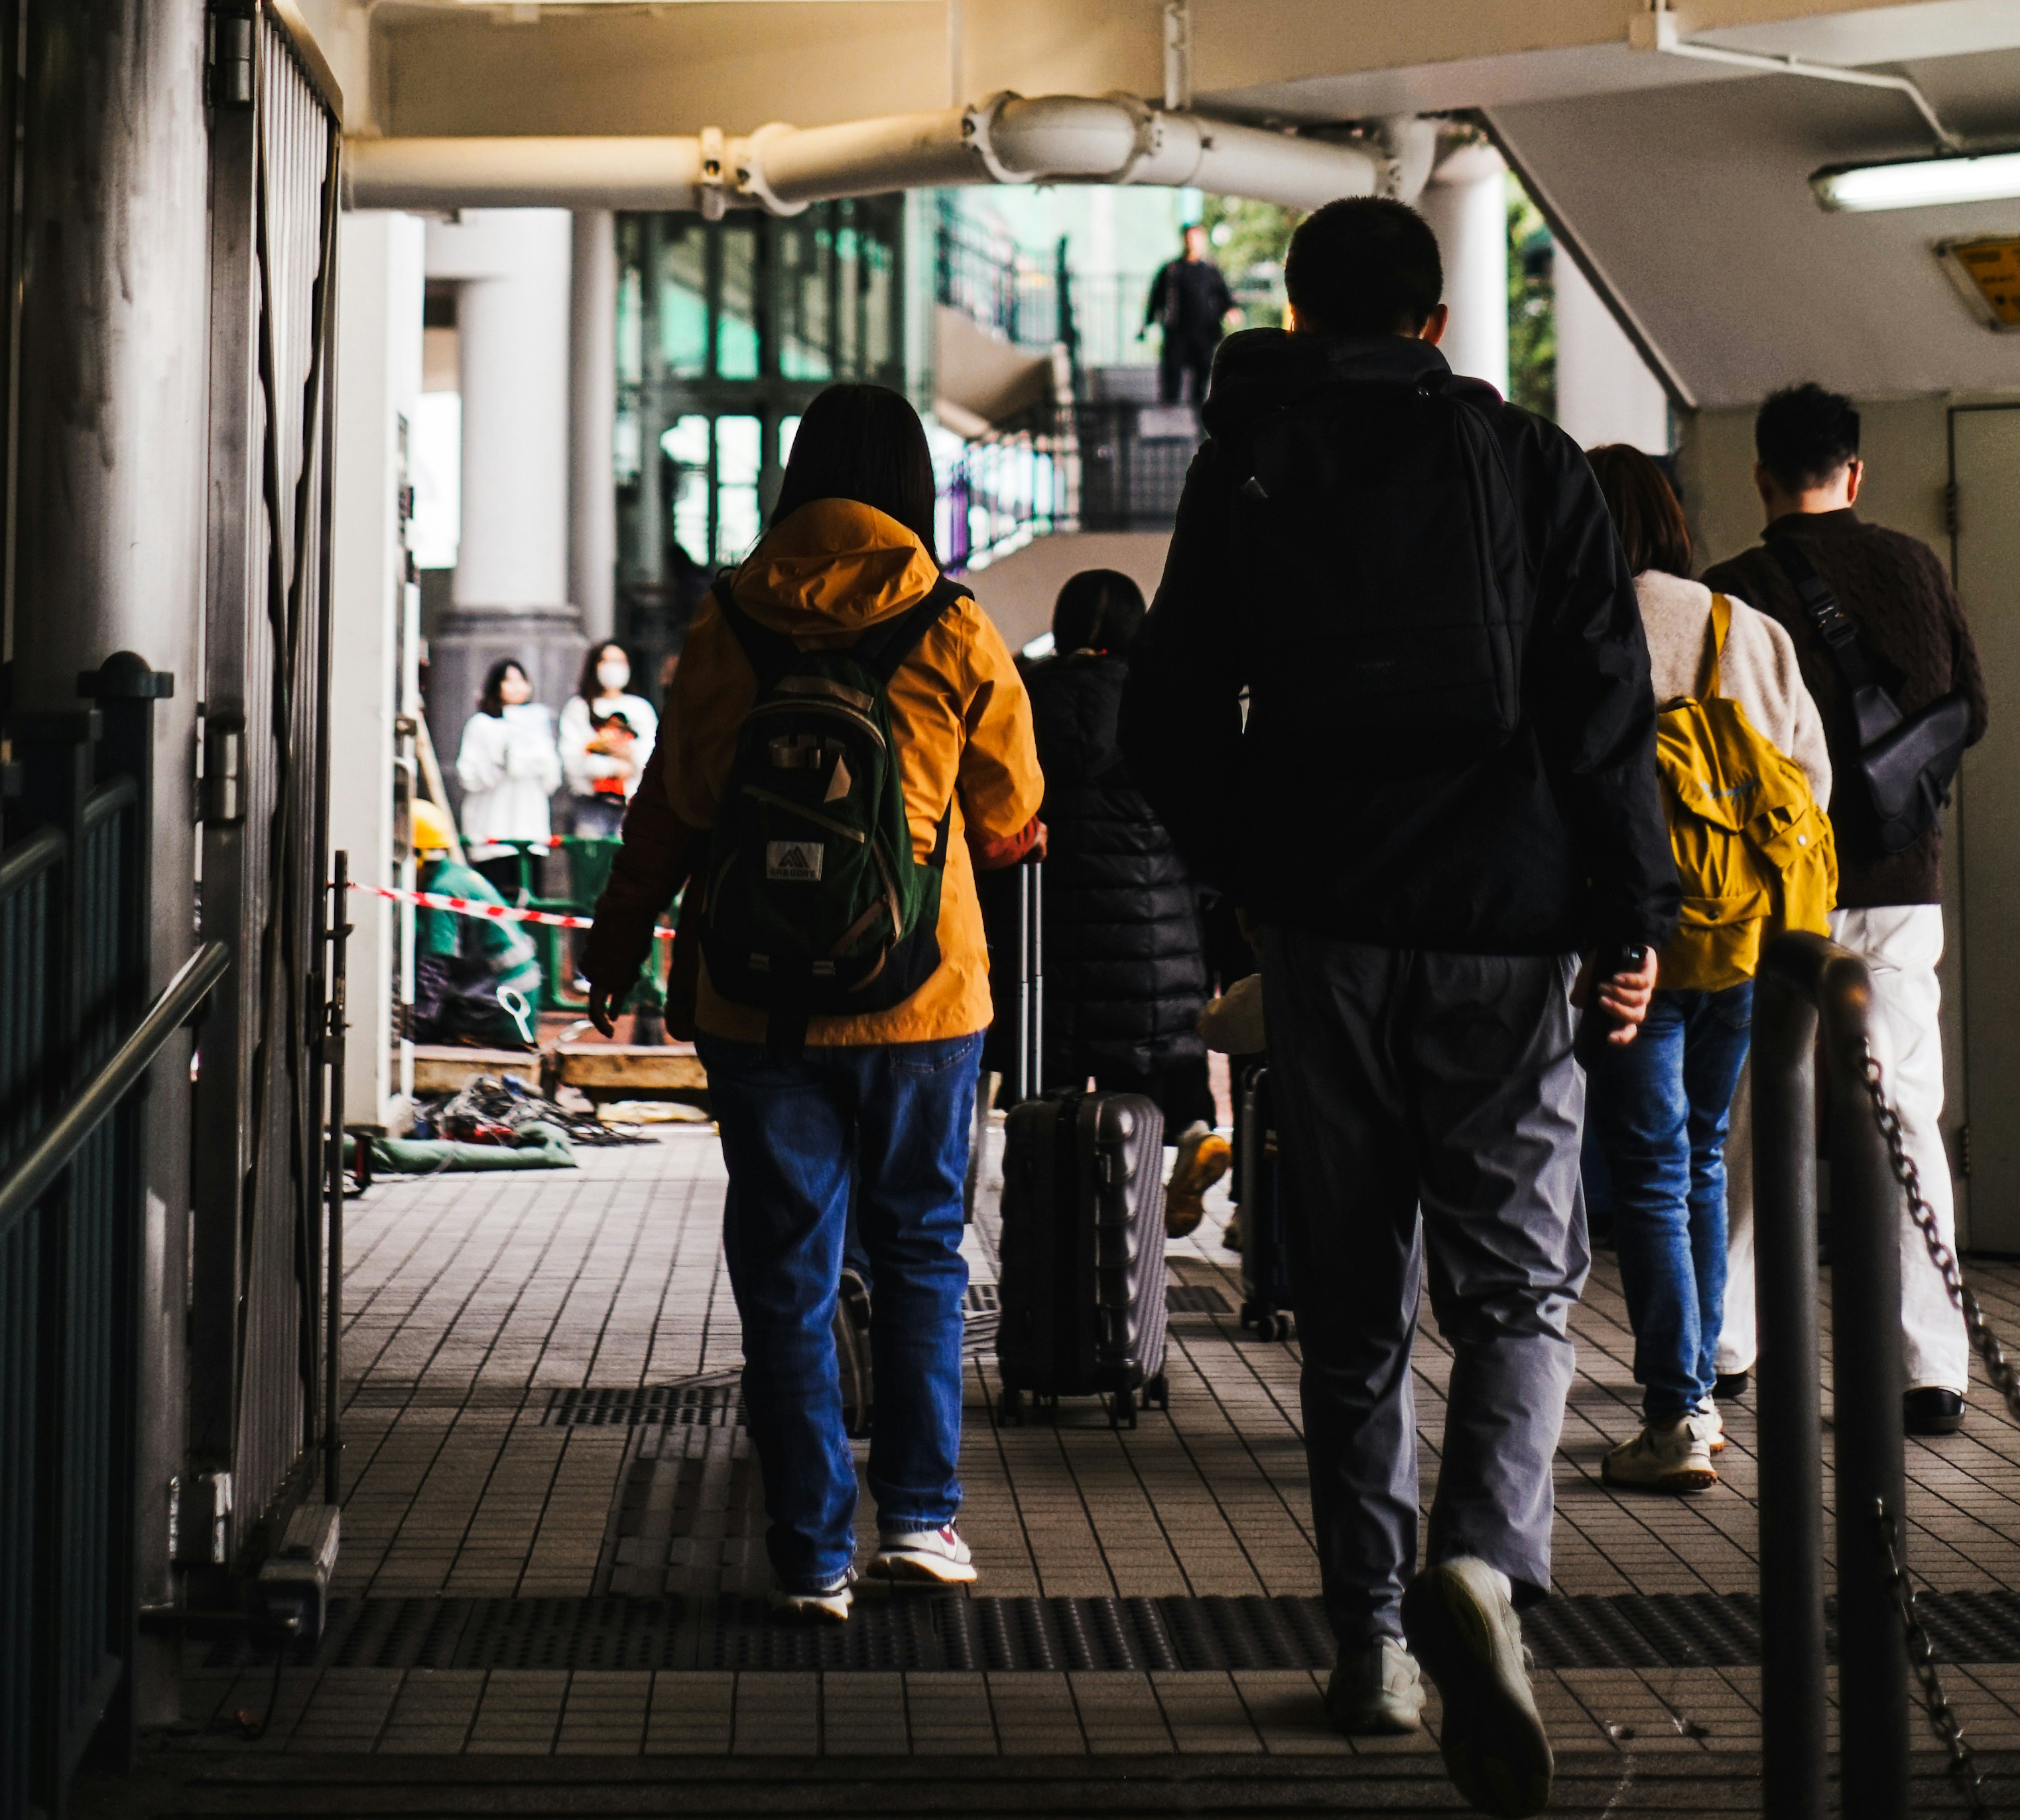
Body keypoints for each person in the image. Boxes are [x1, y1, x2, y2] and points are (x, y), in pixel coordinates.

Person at [1124, 197, 1672, 1811]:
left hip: (1331, 934)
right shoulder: (1530, 461)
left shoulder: (1254, 462)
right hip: (1511, 927)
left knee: (1356, 1308)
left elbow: (1163, 715)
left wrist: (1262, 870)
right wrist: (1629, 911)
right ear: (1439, 320)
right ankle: (1489, 1566)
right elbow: (1603, 706)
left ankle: (1372, 1645)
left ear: (1297, 317)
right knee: (1515, 1290)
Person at [582, 380, 1043, 1620]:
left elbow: (672, 803)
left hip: (756, 1002)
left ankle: (808, 1553)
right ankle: (920, 1519)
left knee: (785, 1269)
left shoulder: (726, 620)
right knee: (918, 1254)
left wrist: (616, 943)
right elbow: (1007, 812)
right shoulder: (952, 622)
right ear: (907, 482)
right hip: (921, 999)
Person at [1705, 382, 1988, 1437]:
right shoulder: (1916, 564)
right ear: (1855, 473)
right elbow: (1976, 709)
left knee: (1751, 1122)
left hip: (1780, 900)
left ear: (1762, 475)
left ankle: (1727, 1347)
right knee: (1908, 1117)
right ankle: (1931, 1366)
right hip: (1901, 888)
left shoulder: (1729, 594)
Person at [1582, 445, 1832, 1493]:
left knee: (1645, 1167)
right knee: (1699, 1155)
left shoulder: (1583, 628)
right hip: (1744, 940)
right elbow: (1808, 780)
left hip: (1632, 944)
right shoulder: (1746, 629)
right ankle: (1699, 1394)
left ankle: (1677, 1410)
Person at [1018, 563, 1226, 1234]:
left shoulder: (1023, 699)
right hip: (1150, 947)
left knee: (1052, 1103)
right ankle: (1157, 1186)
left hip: (1045, 944)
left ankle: (1057, 1224)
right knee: (1139, 1100)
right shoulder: (1164, 704)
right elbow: (1202, 827)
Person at [409, 800, 542, 1050]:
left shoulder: (442, 891)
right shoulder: (457, 876)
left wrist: (413, 1030)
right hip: (517, 1003)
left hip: (498, 1010)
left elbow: (434, 973)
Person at [454, 656, 564, 890]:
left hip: (530, 832)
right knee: (496, 898)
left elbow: (551, 778)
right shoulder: (482, 725)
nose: (516, 686)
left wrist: (538, 762)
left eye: (521, 680)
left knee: (529, 901)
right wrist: (502, 761)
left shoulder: (539, 725)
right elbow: (469, 775)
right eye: (508, 680)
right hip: (494, 831)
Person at [559, 637, 658, 835]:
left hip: (634, 803)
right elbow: (571, 757)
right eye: (607, 661)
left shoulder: (640, 708)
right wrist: (611, 766)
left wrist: (629, 755)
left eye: (620, 662)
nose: (614, 668)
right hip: (590, 803)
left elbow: (653, 754)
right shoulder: (579, 708)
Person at [1143, 221, 1233, 410]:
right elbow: (1156, 297)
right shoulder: (1172, 270)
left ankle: (1197, 417)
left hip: (1204, 332)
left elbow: (1223, 295)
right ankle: (1170, 415)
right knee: (1172, 374)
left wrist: (1230, 310)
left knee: (1201, 378)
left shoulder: (1209, 270)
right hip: (1178, 332)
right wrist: (1147, 322)